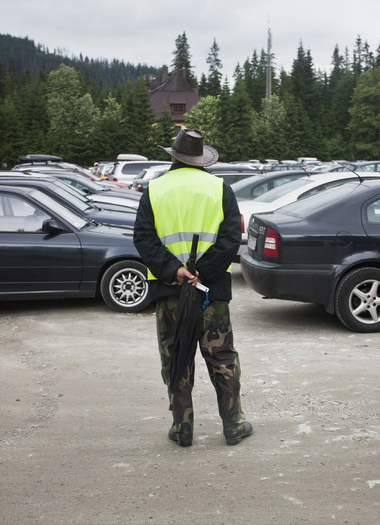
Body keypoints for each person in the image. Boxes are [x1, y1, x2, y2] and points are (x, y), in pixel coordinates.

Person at [133, 129, 253, 448]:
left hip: (169, 291)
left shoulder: (155, 189)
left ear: (173, 156)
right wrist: (203, 272)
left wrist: (176, 270)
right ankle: (233, 425)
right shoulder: (219, 188)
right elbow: (230, 238)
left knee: (176, 359)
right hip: (211, 292)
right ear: (201, 159)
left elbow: (143, 239)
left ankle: (182, 427)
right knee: (221, 358)